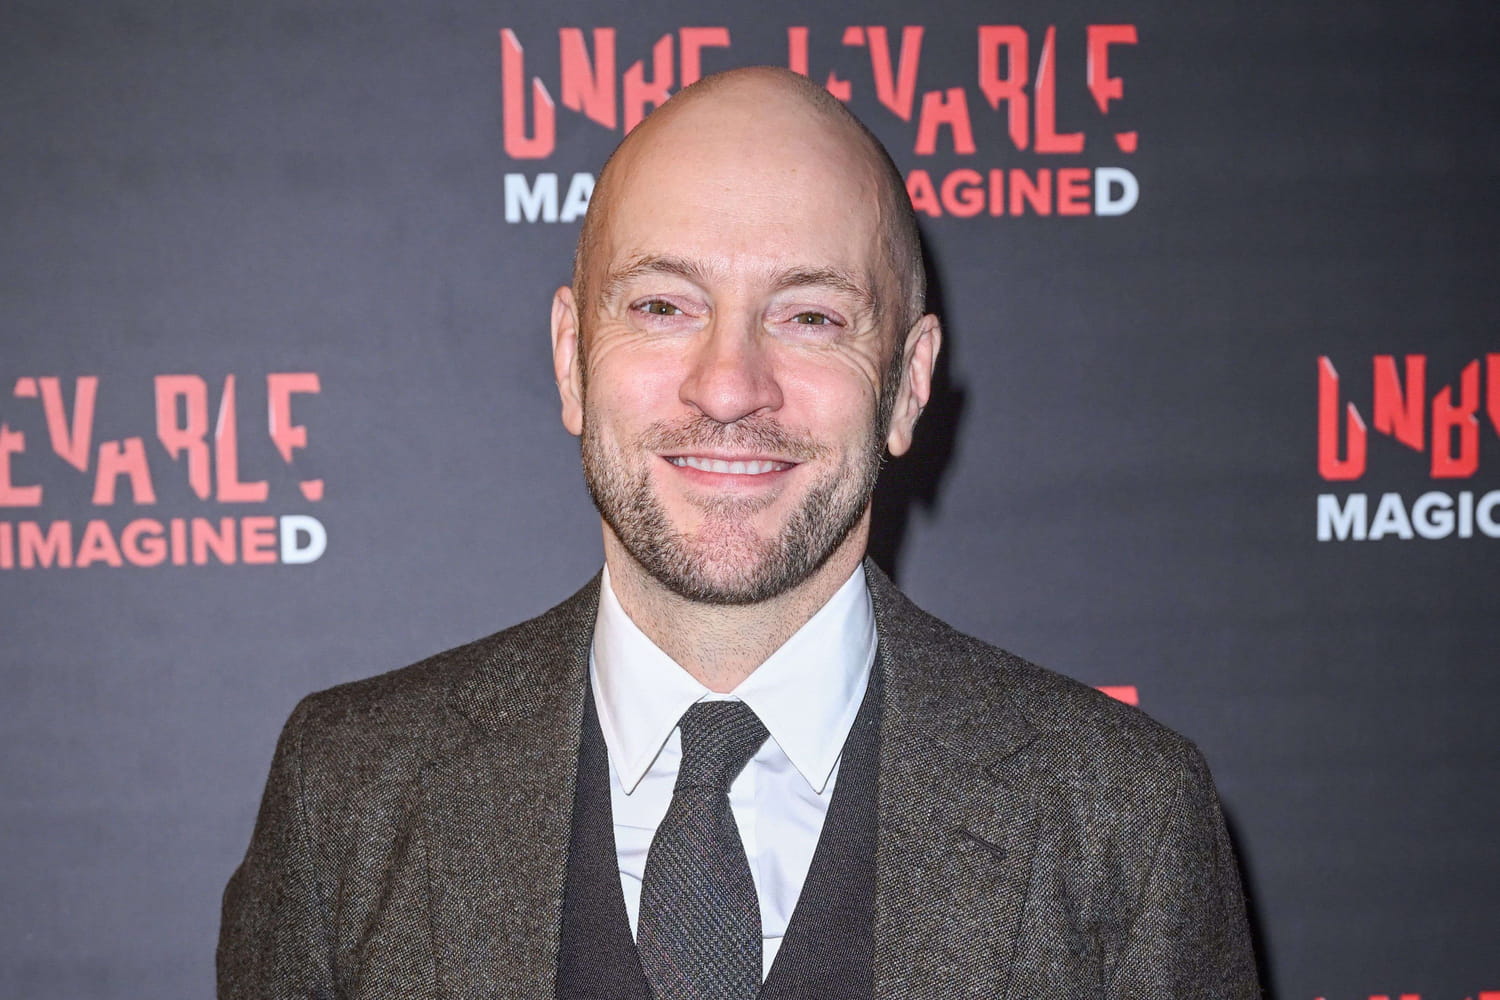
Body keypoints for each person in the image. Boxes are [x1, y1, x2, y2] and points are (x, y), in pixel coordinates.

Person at [219, 66, 1259, 999]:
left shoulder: (1125, 820)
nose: (727, 386)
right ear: (573, 359)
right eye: (663, 306)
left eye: (809, 317)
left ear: (907, 384)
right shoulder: (347, 793)